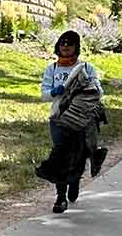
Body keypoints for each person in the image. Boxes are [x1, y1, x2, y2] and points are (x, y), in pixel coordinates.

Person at [37, 31, 105, 213]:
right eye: (62, 43)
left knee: (79, 155)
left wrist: (87, 87)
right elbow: (43, 95)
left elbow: (99, 92)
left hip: (82, 120)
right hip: (58, 119)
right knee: (60, 156)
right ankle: (60, 197)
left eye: (70, 43)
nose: (65, 46)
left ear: (76, 47)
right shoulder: (52, 69)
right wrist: (53, 92)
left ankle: (74, 181)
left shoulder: (87, 68)